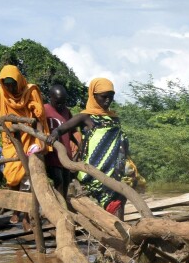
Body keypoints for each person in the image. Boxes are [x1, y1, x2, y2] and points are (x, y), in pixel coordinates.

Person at [48, 78, 130, 217]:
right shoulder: (85, 116)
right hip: (94, 170)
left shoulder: (113, 117)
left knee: (118, 198)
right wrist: (54, 134)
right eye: (103, 97)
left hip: (114, 170)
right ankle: (117, 233)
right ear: (93, 95)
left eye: (111, 97)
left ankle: (116, 232)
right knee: (111, 200)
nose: (107, 101)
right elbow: (62, 129)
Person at [0, 64, 44, 190]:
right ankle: (16, 208)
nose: (10, 87)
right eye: (6, 84)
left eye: (12, 83)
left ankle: (28, 208)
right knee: (12, 175)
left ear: (18, 81)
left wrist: (42, 143)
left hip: (29, 140)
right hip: (10, 141)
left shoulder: (30, 92)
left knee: (29, 176)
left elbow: (39, 119)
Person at [41, 83, 76, 198]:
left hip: (66, 155)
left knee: (66, 182)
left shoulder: (67, 112)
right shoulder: (44, 110)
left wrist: (79, 145)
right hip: (51, 154)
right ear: (50, 97)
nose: (61, 105)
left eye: (63, 102)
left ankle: (63, 205)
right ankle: (60, 210)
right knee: (58, 180)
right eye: (58, 102)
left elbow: (74, 131)